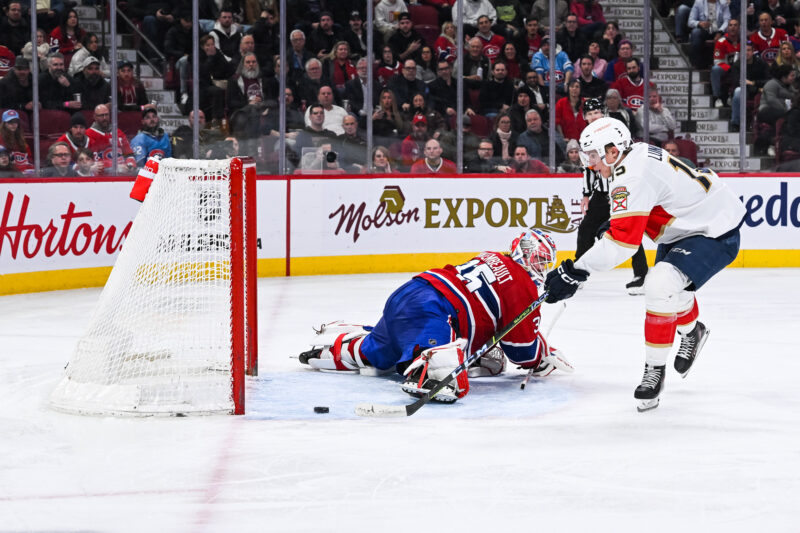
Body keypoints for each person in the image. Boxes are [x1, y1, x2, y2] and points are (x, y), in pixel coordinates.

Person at [544, 117, 745, 412]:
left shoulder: (630, 175)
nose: (589, 164)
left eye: (593, 155)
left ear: (613, 151)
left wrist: (575, 270)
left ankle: (655, 372)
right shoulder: (633, 155)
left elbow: (622, 245)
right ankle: (692, 332)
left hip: (712, 230)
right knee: (675, 291)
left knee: (660, 284)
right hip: (686, 225)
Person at [299, 229, 571, 403]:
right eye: (538, 258)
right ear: (522, 252)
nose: (540, 266)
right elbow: (520, 350)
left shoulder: (493, 256)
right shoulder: (524, 286)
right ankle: (429, 368)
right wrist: (541, 355)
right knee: (446, 374)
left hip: (411, 292)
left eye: (544, 262)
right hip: (434, 311)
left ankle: (342, 348)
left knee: (380, 354)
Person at [574, 98, 649, 293]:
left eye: (596, 113)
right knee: (586, 230)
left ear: (603, 113)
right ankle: (577, 273)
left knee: (628, 229)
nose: (593, 117)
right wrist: (586, 194)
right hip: (601, 192)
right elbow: (589, 169)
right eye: (589, 114)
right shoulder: (588, 137)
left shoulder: (614, 130)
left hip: (621, 189)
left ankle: (641, 274)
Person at [86, 104, 137, 174]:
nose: (104, 118)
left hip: (123, 174)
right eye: (101, 115)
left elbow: (129, 154)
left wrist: (130, 165)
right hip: (102, 177)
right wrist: (115, 167)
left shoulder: (118, 132)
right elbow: (92, 163)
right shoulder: (89, 134)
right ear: (95, 117)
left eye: (106, 115)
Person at [686, 0, 731, 69]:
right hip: (705, 30)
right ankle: (696, 64)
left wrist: (720, 32)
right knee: (695, 32)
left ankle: (722, 64)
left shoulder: (723, 3)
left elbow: (727, 20)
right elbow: (690, 21)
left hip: (719, 30)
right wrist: (699, 23)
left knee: (730, 32)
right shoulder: (699, 2)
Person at [710, 18, 741, 108]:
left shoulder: (744, 41)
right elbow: (717, 61)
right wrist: (731, 68)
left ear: (739, 28)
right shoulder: (721, 42)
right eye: (730, 25)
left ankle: (732, 96)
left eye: (735, 25)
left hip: (740, 68)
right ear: (727, 28)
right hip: (726, 67)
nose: (733, 27)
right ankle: (717, 97)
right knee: (715, 69)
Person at [0, 109, 32, 174]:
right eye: (10, 122)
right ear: (4, 123)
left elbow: (29, 158)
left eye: (15, 121)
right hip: (9, 173)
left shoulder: (21, 138)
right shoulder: (0, 138)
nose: (13, 124)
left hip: (25, 172)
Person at [555, 78, 587, 142]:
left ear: (580, 89)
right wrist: (562, 138)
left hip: (584, 140)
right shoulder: (561, 103)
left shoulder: (585, 103)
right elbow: (557, 121)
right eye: (572, 86)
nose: (574, 89)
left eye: (577, 87)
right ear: (568, 88)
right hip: (566, 140)